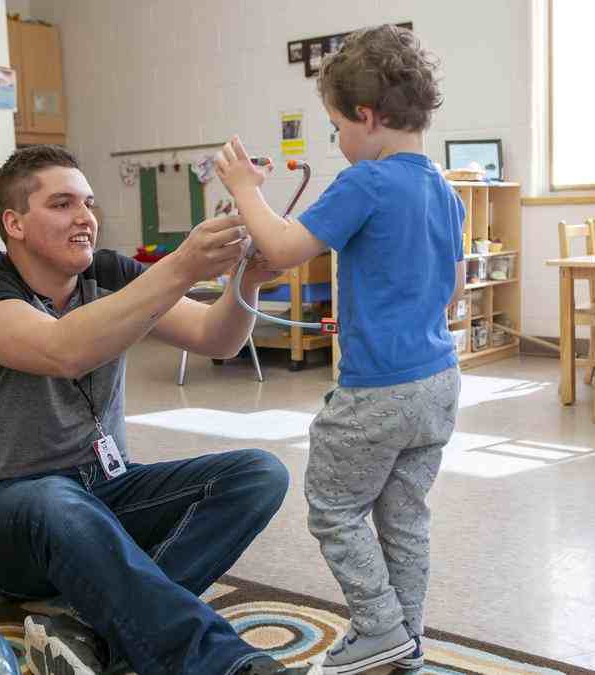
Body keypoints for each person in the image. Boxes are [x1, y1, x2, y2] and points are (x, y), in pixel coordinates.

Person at [0, 144, 310, 675]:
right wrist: (182, 264)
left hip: (105, 491)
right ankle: (221, 663)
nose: (85, 218)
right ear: (14, 223)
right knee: (55, 499)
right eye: (63, 204)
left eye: (89, 203)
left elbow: (215, 337)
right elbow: (63, 350)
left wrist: (246, 278)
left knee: (259, 473)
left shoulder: (107, 273)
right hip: (7, 520)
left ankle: (102, 630)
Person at [215, 23, 464, 675]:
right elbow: (454, 292)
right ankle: (407, 638)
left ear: (367, 116)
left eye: (337, 128)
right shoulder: (444, 188)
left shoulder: (368, 183)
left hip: (376, 389)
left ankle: (379, 625)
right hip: (439, 380)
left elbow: (284, 247)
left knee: (333, 505)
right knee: (404, 517)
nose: (339, 141)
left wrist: (246, 188)